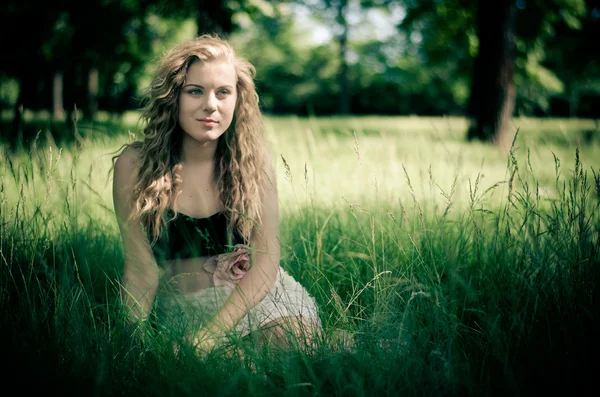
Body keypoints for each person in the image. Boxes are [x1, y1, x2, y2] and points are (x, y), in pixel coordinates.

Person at [112, 34, 321, 354]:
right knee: (230, 368)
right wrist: (129, 346)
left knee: (292, 340)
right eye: (195, 91)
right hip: (184, 311)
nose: (211, 105)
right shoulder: (135, 165)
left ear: (238, 100)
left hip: (259, 303)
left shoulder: (253, 162)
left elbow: (266, 262)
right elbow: (140, 269)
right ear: (173, 97)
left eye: (223, 92)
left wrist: (211, 336)